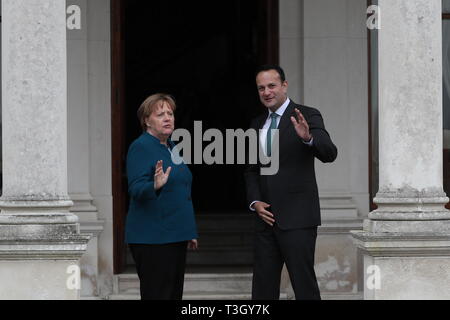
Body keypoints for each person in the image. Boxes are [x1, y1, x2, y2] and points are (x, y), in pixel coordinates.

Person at [244, 65, 337, 300]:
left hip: (298, 218)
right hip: (266, 221)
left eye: (272, 86)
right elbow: (251, 170)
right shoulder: (256, 124)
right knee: (263, 288)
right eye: (261, 88)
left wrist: (309, 138)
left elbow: (329, 153)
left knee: (303, 285)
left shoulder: (307, 114)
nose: (266, 92)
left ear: (284, 86)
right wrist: (255, 202)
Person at [125, 93, 198, 300]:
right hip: (152, 238)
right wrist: (154, 185)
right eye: (160, 114)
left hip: (175, 235)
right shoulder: (140, 147)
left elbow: (182, 190)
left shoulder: (171, 146)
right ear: (147, 121)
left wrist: (188, 229)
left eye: (170, 113)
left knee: (173, 295)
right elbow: (136, 189)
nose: (168, 118)